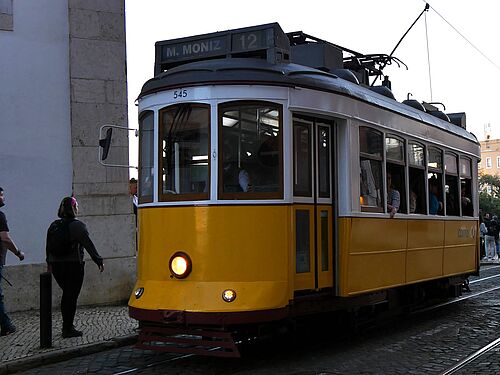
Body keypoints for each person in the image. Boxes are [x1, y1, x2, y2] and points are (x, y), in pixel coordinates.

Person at [46, 197, 104, 338]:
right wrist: (99, 260)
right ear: (73, 208)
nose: (77, 208)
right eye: (76, 206)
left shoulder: (53, 225)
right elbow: (88, 245)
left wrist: (49, 263)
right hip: (73, 264)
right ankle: (67, 328)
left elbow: (47, 246)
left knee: (67, 295)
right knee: (71, 296)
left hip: (56, 265)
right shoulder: (78, 226)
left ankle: (67, 326)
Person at [0, 187, 25, 336]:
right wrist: (18, 253)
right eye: (1, 195)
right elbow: (5, 238)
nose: (3, 198)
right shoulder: (0, 216)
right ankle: (7, 325)